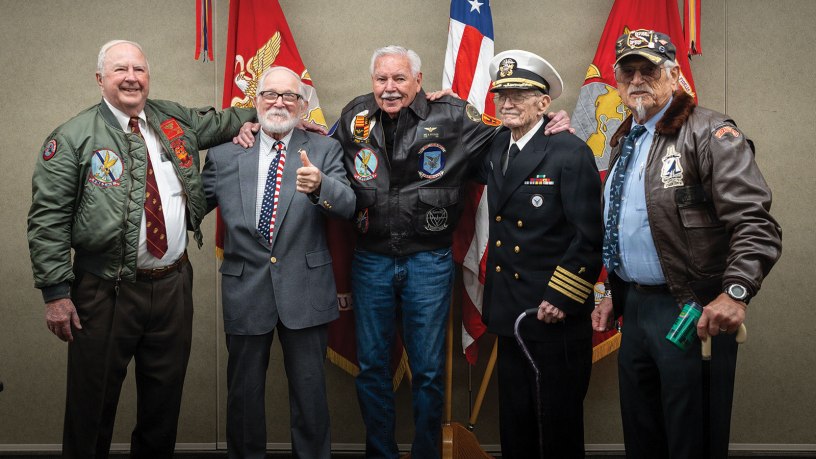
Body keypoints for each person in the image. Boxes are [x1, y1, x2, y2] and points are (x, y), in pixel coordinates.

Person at [330, 45, 570, 458]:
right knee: (371, 369)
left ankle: (427, 453)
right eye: (381, 79)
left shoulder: (453, 115)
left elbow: (512, 135)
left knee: (427, 371)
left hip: (429, 260)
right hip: (371, 260)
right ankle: (380, 453)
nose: (389, 88)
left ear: (418, 81)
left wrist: (549, 119)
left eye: (400, 78)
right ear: (372, 82)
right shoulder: (354, 115)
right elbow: (324, 155)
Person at [27, 40, 256, 458]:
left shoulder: (172, 119)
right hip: (103, 291)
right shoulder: (73, 137)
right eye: (120, 70)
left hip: (172, 287)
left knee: (162, 406)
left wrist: (275, 115)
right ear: (100, 80)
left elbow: (226, 120)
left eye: (139, 69)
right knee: (91, 408)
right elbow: (48, 220)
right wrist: (56, 294)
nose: (132, 77)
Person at [591, 30, 782, 459]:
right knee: (642, 433)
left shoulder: (710, 132)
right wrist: (613, 293)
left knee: (690, 438)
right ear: (617, 81)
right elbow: (625, 226)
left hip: (690, 310)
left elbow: (755, 223)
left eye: (649, 70)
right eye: (628, 71)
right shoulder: (625, 139)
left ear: (675, 75)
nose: (637, 80)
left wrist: (736, 293)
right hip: (634, 310)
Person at [202, 66, 354, 459]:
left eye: (289, 96)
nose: (279, 103)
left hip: (306, 291)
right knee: (244, 398)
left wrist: (322, 186)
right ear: (255, 101)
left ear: (303, 105)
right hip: (245, 290)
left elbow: (349, 206)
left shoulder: (324, 149)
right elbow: (188, 206)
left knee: (310, 398)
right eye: (270, 94)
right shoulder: (224, 153)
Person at [476, 50, 602, 458]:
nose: (508, 103)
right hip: (511, 309)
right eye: (502, 95)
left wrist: (563, 297)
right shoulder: (497, 146)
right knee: (516, 419)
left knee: (555, 422)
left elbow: (588, 237)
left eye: (520, 94)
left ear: (544, 103)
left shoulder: (569, 153)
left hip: (552, 313)